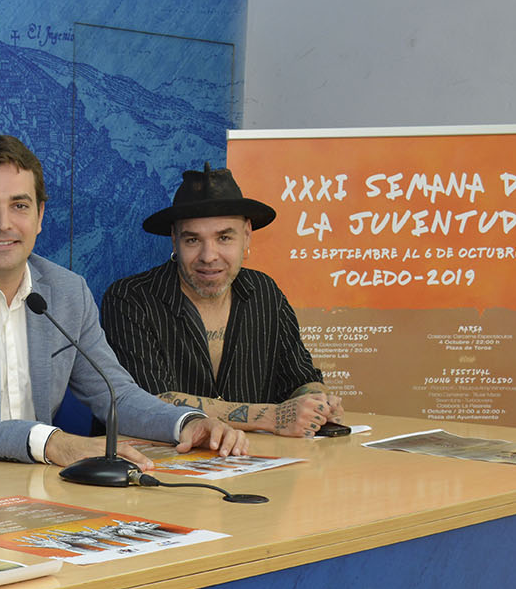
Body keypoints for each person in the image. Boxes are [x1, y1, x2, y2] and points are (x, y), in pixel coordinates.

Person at [0, 135, 244, 470]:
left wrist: (188, 423)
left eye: (19, 206)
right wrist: (49, 442)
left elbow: (115, 394)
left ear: (40, 216)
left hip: (43, 489)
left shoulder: (67, 292)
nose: (3, 224)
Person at [100, 163, 343, 437]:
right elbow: (147, 402)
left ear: (247, 235)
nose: (209, 256)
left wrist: (317, 400)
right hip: (160, 465)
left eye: (224, 237)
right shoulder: (131, 298)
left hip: (257, 464)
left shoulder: (265, 292)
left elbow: (300, 379)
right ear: (174, 240)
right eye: (193, 240)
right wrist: (272, 416)